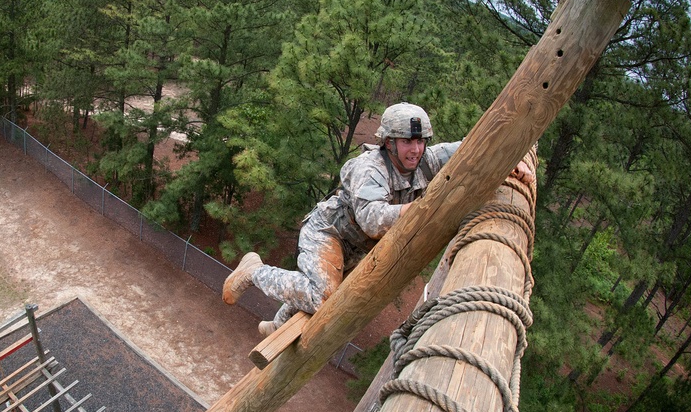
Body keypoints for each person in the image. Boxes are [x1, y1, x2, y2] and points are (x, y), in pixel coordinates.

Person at [222, 102, 534, 335]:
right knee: (324, 296)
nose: (415, 149)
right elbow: (372, 219)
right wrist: (420, 210)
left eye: (420, 141)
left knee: (331, 289)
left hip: (361, 246)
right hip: (331, 233)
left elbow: (471, 149)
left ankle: (276, 325)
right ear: (389, 143)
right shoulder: (370, 168)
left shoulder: (426, 159)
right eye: (407, 142)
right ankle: (255, 271)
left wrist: (508, 160)